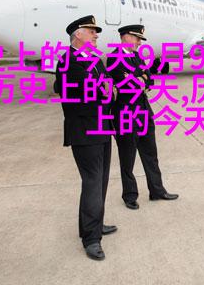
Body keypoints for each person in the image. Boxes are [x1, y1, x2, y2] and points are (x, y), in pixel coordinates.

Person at [54, 15, 116, 260]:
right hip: (84, 130)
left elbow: (107, 89)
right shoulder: (67, 62)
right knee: (92, 182)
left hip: (103, 126)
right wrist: (103, 90)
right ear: (78, 34)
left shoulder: (95, 60)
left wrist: (104, 89)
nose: (96, 35)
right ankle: (91, 239)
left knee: (101, 181)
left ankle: (95, 224)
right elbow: (91, 93)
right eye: (91, 31)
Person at [107, 24, 178, 210]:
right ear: (125, 37)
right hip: (125, 115)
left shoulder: (136, 56)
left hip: (144, 112)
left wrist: (141, 78)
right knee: (127, 158)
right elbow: (128, 84)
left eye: (140, 39)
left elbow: (150, 78)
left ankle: (157, 190)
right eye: (137, 38)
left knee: (151, 155)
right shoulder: (114, 57)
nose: (139, 42)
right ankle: (130, 195)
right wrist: (140, 78)